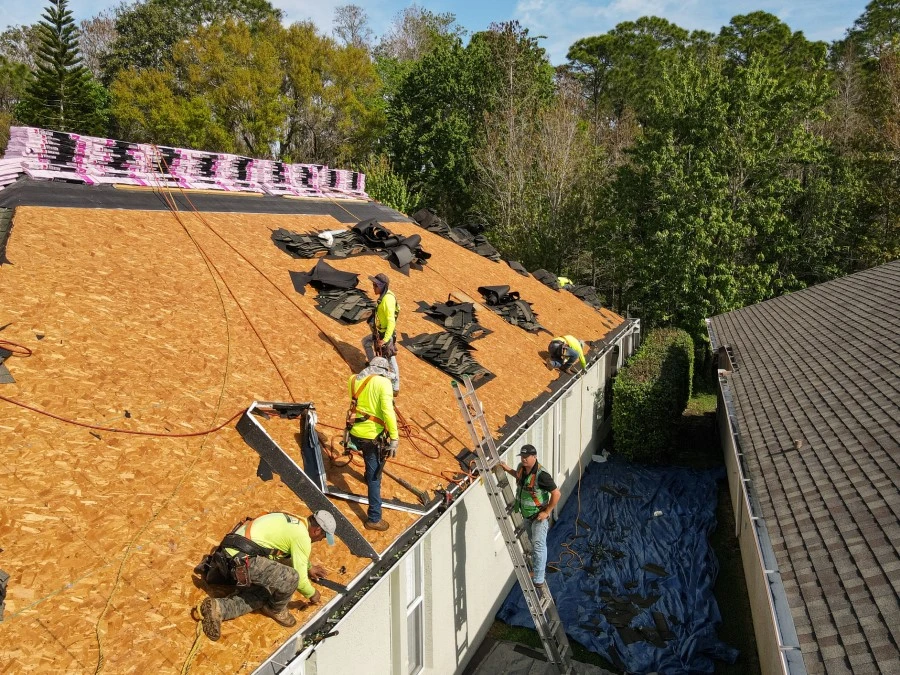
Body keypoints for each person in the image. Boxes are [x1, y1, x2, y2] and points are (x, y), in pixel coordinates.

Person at [197, 510, 336, 641]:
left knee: (266, 590)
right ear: (317, 530)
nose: (320, 540)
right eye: (323, 537)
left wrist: (309, 567)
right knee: (290, 578)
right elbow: (300, 581)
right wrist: (312, 594)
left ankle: (218, 608)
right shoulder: (303, 537)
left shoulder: (294, 520)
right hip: (243, 561)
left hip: (229, 551)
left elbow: (284, 554)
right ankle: (275, 610)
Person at [347, 357, 399, 531]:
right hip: (372, 436)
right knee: (375, 478)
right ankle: (374, 518)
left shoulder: (354, 379)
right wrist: (394, 437)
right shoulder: (384, 384)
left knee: (368, 459)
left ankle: (366, 475)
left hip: (354, 432)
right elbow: (387, 411)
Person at [499, 445, 560, 589]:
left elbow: (557, 494)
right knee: (533, 543)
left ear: (535, 456)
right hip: (526, 515)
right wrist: (507, 469)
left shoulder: (542, 475)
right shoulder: (521, 467)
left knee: (539, 546)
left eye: (526, 457)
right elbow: (519, 476)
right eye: (522, 457)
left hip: (539, 517)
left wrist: (547, 512)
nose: (523, 459)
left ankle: (538, 578)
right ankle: (536, 570)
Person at [362, 273, 400, 393]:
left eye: (375, 285)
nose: (373, 287)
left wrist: (385, 339)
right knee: (366, 342)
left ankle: (395, 386)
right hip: (379, 332)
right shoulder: (384, 296)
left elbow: (391, 321)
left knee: (390, 359)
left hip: (386, 334)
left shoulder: (387, 300)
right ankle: (374, 367)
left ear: (382, 286)